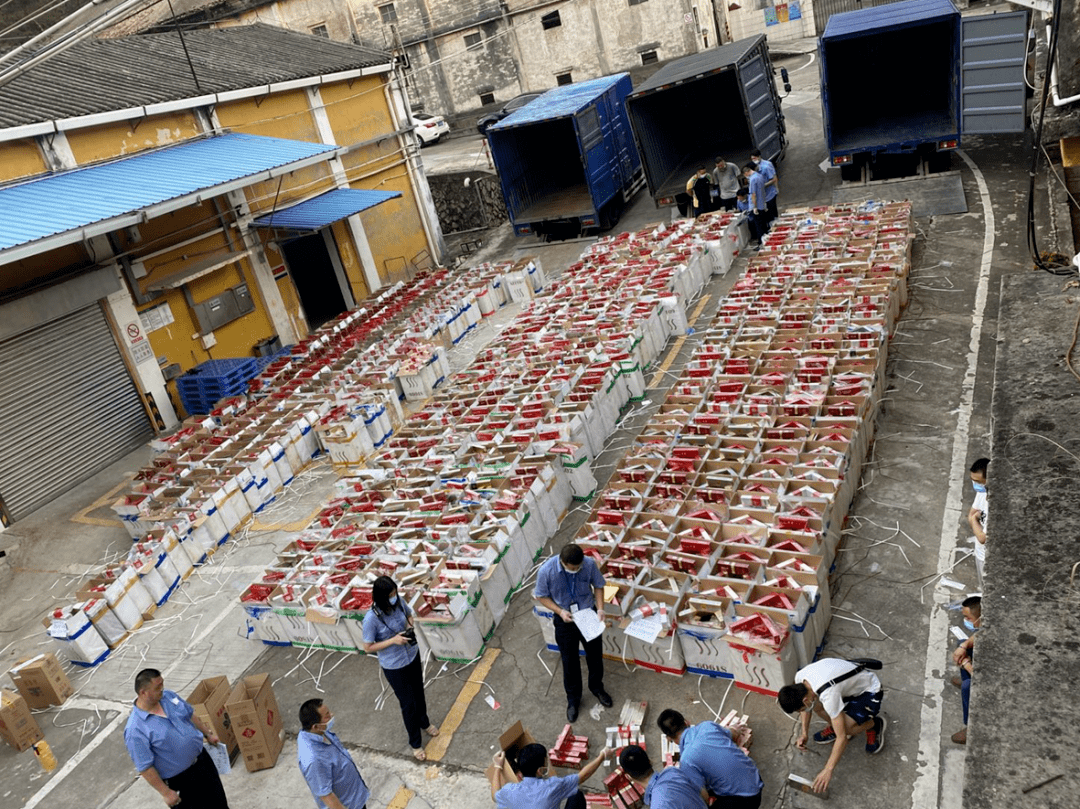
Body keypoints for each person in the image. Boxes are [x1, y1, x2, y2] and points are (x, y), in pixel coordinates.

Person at [123, 668, 229, 808]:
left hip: (202, 763)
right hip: (181, 781)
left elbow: (190, 714)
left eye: (162, 684)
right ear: (143, 692)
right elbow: (145, 767)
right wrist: (166, 793)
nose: (162, 689)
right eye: (157, 687)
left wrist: (208, 733)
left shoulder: (168, 697)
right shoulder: (135, 730)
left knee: (219, 802)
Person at [777, 658, 885, 794]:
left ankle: (873, 724)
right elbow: (807, 708)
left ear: (804, 700)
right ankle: (837, 724)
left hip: (869, 690)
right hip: (848, 684)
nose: (801, 712)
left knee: (846, 730)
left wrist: (827, 770)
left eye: (799, 710)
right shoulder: (801, 679)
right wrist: (804, 733)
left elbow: (842, 738)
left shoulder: (828, 694)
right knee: (816, 706)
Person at [361, 575, 440, 760]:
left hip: (411, 655)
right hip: (394, 666)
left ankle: (425, 723)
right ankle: (415, 744)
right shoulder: (371, 619)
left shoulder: (399, 603)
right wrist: (393, 641)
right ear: (380, 597)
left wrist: (409, 627)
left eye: (395, 593)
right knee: (408, 704)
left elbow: (409, 615)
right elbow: (367, 647)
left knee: (419, 693)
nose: (394, 597)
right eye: (390, 595)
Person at [534, 543, 612, 722]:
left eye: (579, 567)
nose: (576, 570)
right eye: (573, 568)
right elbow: (541, 596)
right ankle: (573, 700)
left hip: (588, 614)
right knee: (570, 662)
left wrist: (600, 609)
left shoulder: (589, 564)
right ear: (562, 562)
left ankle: (597, 688)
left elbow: (599, 585)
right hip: (565, 618)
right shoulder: (546, 571)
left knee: (595, 656)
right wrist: (559, 611)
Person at [656, 709, 763, 808]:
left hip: (746, 800)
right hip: (755, 778)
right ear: (687, 722)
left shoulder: (686, 761)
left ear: (669, 738)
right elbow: (733, 734)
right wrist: (734, 729)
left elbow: (704, 799)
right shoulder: (708, 726)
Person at [489, 742, 610, 808]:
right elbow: (582, 776)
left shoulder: (510, 790)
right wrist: (602, 755)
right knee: (576, 796)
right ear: (540, 770)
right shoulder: (552, 786)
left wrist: (498, 767)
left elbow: (495, 795)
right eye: (546, 761)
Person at [298, 699, 370, 809]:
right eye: (327, 715)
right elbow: (326, 795)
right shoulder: (313, 760)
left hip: (355, 797)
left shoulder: (319, 732)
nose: (331, 715)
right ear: (315, 726)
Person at [619, 744, 708, 809]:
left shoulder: (657, 805)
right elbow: (702, 792)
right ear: (650, 761)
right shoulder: (673, 771)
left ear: (628, 777)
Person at [950, 596, 981, 744]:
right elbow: (979, 635)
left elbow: (986, 679)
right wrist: (963, 647)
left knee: (967, 687)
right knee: (963, 642)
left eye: (968, 618)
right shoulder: (985, 624)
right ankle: (965, 677)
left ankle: (971, 727)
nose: (966, 621)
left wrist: (968, 666)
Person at [968, 457, 989, 587]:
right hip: (979, 552)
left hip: (986, 557)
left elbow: (982, 537)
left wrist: (975, 520)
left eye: (978, 481)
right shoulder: (981, 493)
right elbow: (970, 515)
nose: (975, 485)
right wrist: (973, 520)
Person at [742, 163, 769, 247]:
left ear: (746, 173)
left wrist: (754, 207)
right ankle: (766, 241)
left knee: (759, 226)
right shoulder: (759, 176)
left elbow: (753, 194)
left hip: (757, 205)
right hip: (762, 203)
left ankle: (761, 243)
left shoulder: (753, 179)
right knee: (763, 224)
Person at [749, 149, 778, 223]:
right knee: (765, 217)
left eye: (754, 158)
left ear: (759, 157)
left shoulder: (767, 166)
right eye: (752, 159)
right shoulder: (753, 166)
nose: (753, 160)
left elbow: (773, 179)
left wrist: (763, 185)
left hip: (769, 194)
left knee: (772, 215)